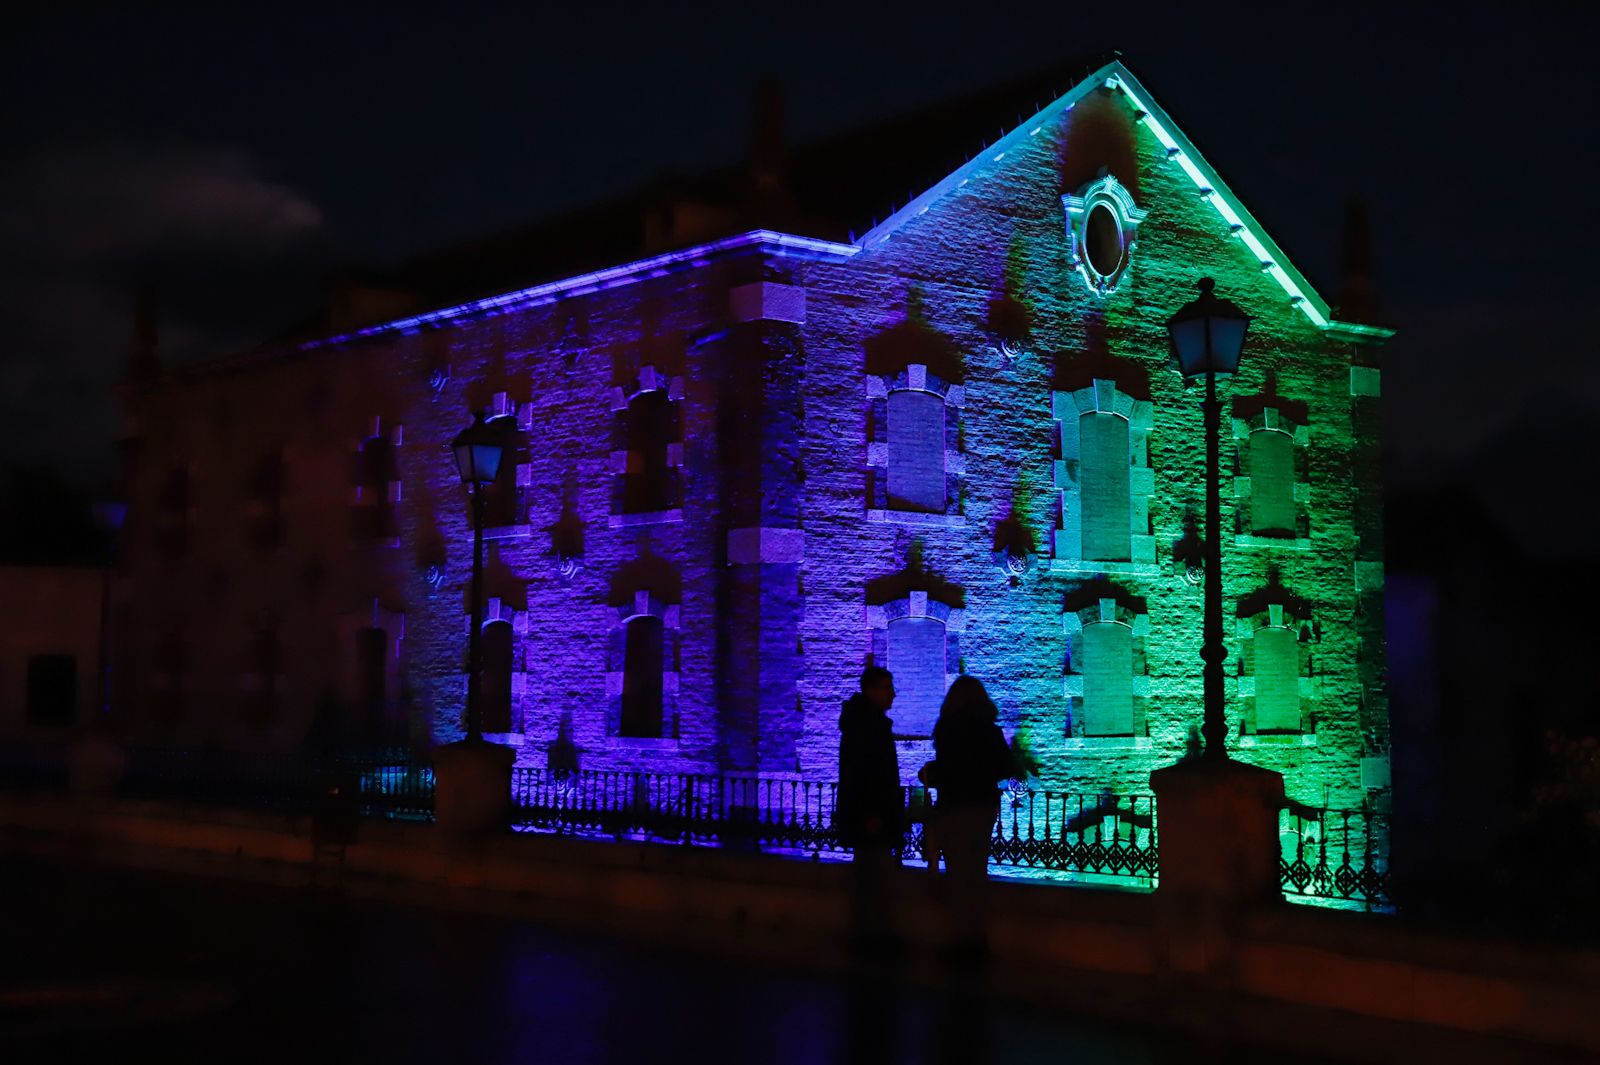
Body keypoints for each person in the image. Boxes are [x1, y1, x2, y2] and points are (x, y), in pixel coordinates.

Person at [922, 675, 1015, 962]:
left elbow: (945, 771)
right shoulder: (989, 730)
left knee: (957, 875)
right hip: (982, 807)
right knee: (976, 874)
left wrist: (931, 773)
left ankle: (958, 940)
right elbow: (1005, 768)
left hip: (953, 807)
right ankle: (977, 940)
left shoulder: (947, 731)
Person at [837, 666, 904, 950]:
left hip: (868, 813)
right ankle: (873, 935)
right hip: (872, 815)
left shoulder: (862, 722)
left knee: (868, 874)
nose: (893, 695)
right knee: (875, 876)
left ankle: (866, 933)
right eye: (888, 688)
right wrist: (873, 814)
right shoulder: (868, 726)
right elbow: (867, 773)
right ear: (873, 691)